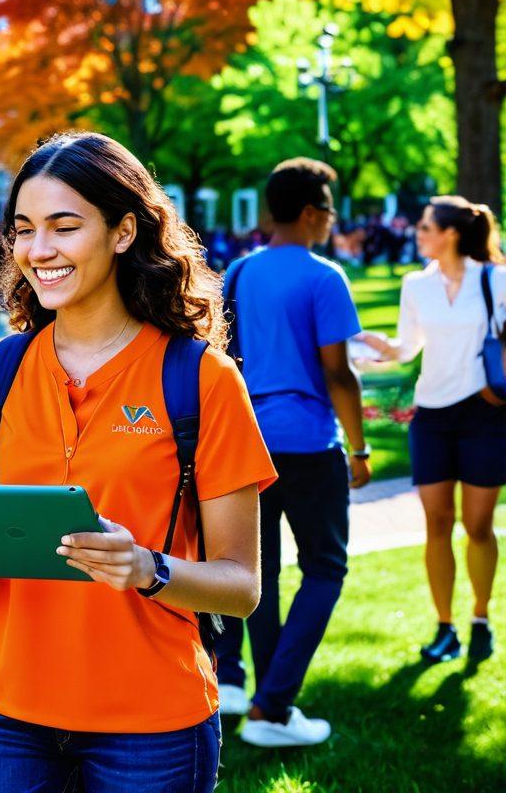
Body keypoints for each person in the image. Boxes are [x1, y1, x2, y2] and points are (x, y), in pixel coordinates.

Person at [0, 132, 276, 793]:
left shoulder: (200, 380)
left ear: (122, 232)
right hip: (6, 714)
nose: (39, 250)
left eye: (65, 226)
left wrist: (146, 567)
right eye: (24, 229)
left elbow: (243, 587)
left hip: (153, 724)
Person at [212, 158, 371, 748]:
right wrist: (360, 448)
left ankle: (244, 687)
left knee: (263, 573)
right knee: (326, 568)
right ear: (310, 213)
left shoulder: (238, 273)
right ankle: (273, 708)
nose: (331, 220)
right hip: (308, 442)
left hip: (249, 443)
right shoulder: (324, 276)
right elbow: (339, 372)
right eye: (329, 210)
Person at [361, 196, 505, 663]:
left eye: (425, 227)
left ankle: (480, 617)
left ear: (451, 234)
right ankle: (445, 627)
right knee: (437, 523)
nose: (418, 233)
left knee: (479, 526)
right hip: (433, 417)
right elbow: (408, 347)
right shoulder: (415, 285)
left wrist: (494, 391)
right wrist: (384, 349)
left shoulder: (496, 278)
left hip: (484, 416)